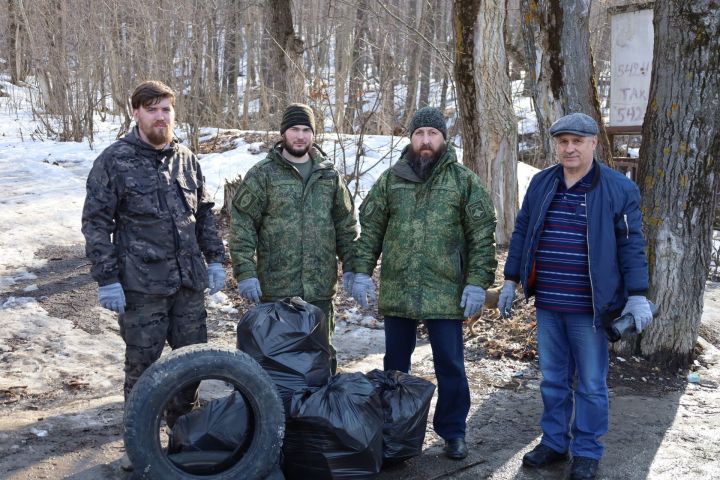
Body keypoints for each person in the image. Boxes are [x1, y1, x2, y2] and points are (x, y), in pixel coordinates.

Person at [497, 112, 653, 480]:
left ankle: (586, 451)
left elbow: (632, 247)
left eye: (577, 142)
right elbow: (523, 232)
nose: (569, 148)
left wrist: (637, 295)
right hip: (549, 304)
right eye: (563, 141)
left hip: (591, 310)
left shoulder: (618, 189)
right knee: (552, 379)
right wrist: (510, 278)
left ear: (594, 144)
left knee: (592, 384)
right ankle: (554, 443)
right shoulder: (541, 183)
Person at [81, 80, 225, 469]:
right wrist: (107, 278)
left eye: (166, 110)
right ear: (136, 113)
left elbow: (205, 214)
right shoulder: (114, 161)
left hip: (187, 286)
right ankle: (139, 442)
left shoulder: (187, 159)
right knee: (143, 372)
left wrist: (215, 258)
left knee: (191, 366)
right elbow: (96, 223)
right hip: (141, 288)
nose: (161, 117)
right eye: (152, 109)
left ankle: (185, 438)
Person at [350, 106, 497, 460]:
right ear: (411, 139)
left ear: (444, 139)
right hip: (398, 290)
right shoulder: (390, 180)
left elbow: (482, 237)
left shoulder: (464, 182)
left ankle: (453, 432)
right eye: (419, 134)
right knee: (395, 368)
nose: (426, 141)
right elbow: (370, 232)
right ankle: (395, 431)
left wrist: (477, 283)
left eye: (432, 134)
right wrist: (359, 270)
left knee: (450, 365)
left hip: (445, 293)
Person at [229, 103, 357, 373]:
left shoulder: (329, 175)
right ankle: (278, 415)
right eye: (294, 130)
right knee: (277, 361)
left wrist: (354, 269)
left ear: (313, 134)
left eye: (306, 130)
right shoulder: (263, 174)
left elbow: (345, 225)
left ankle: (318, 415)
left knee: (321, 360)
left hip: (320, 290)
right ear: (283, 133)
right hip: (277, 290)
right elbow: (242, 225)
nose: (300, 136)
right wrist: (245, 272)